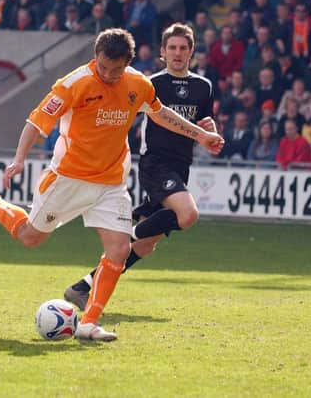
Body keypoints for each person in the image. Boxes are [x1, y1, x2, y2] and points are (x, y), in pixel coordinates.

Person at [0, 27, 224, 340]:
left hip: (111, 182)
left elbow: (160, 113)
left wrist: (201, 134)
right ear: (95, 57)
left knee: (120, 249)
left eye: (116, 69)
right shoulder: (74, 83)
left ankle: (88, 323)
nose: (109, 75)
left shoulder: (137, 84)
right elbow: (36, 121)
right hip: (68, 178)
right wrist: (19, 158)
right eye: (103, 67)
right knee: (31, 237)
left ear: (128, 63)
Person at [63, 24, 219, 311]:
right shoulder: (151, 83)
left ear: (192, 52)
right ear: (162, 51)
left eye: (183, 48)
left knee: (145, 246)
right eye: (172, 47)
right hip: (155, 164)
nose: (177, 53)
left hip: (181, 167)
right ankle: (131, 227)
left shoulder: (203, 86)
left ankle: (82, 287)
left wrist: (211, 129)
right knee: (187, 215)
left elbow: (205, 122)